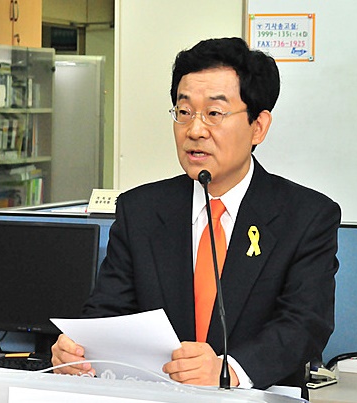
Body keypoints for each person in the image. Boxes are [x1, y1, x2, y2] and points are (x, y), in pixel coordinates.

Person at [51, 37, 340, 398]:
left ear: (258, 126)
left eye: (214, 113)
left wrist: (229, 370)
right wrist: (78, 349)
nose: (195, 130)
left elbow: (304, 325)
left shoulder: (306, 215)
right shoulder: (141, 210)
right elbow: (108, 311)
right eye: (184, 111)